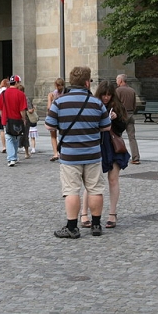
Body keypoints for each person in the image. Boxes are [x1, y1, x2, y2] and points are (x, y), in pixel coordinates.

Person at [46, 66, 111, 239]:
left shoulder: (59, 102)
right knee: (95, 189)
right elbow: (106, 126)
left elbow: (49, 125)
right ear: (87, 82)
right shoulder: (96, 103)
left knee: (71, 191)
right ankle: (96, 225)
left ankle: (72, 227)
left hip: (70, 155)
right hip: (92, 153)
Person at [80, 80, 130, 229]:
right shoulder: (93, 105)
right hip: (96, 146)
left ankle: (112, 214)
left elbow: (122, 127)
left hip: (112, 146)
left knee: (113, 180)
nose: (106, 98)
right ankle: (84, 213)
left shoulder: (117, 106)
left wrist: (114, 120)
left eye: (109, 95)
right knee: (92, 182)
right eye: (104, 94)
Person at [0, 75, 28, 167]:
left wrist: (3, 118)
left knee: (9, 137)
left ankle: (12, 158)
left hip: (7, 119)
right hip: (17, 119)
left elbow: (0, 109)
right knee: (16, 137)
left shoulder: (3, 94)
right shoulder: (21, 94)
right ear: (17, 83)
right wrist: (24, 119)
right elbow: (22, 110)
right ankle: (13, 157)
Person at [115, 74, 139, 164]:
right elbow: (134, 105)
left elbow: (115, 104)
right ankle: (136, 157)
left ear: (121, 81)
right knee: (132, 138)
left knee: (117, 136)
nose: (116, 81)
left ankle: (118, 156)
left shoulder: (118, 91)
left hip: (121, 115)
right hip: (130, 114)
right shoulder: (132, 90)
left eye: (117, 80)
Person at [46, 78, 66, 161]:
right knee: (63, 135)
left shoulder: (52, 94)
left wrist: (50, 99)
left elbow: (49, 108)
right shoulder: (67, 94)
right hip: (63, 117)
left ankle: (55, 153)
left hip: (54, 117)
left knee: (53, 136)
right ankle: (62, 152)